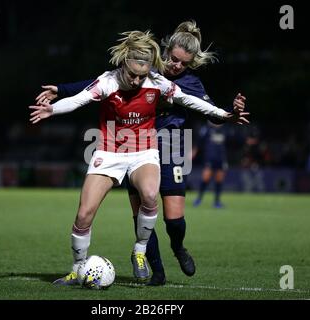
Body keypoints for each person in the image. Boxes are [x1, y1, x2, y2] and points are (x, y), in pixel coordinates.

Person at [35, 22, 249, 286]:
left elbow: (197, 104)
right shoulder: (127, 72)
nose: (175, 66)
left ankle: (157, 250)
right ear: (163, 51)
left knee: (166, 211)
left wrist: (227, 114)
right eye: (172, 58)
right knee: (93, 213)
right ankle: (109, 269)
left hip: (161, 147)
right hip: (116, 147)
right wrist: (55, 102)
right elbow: (85, 93)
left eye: (183, 63)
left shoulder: (166, 81)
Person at [192, 122, 228, 208]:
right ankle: (199, 199)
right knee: (206, 178)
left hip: (221, 157)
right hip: (209, 157)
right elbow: (199, 142)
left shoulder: (224, 129)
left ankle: (217, 201)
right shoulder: (206, 129)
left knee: (219, 179)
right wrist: (194, 151)